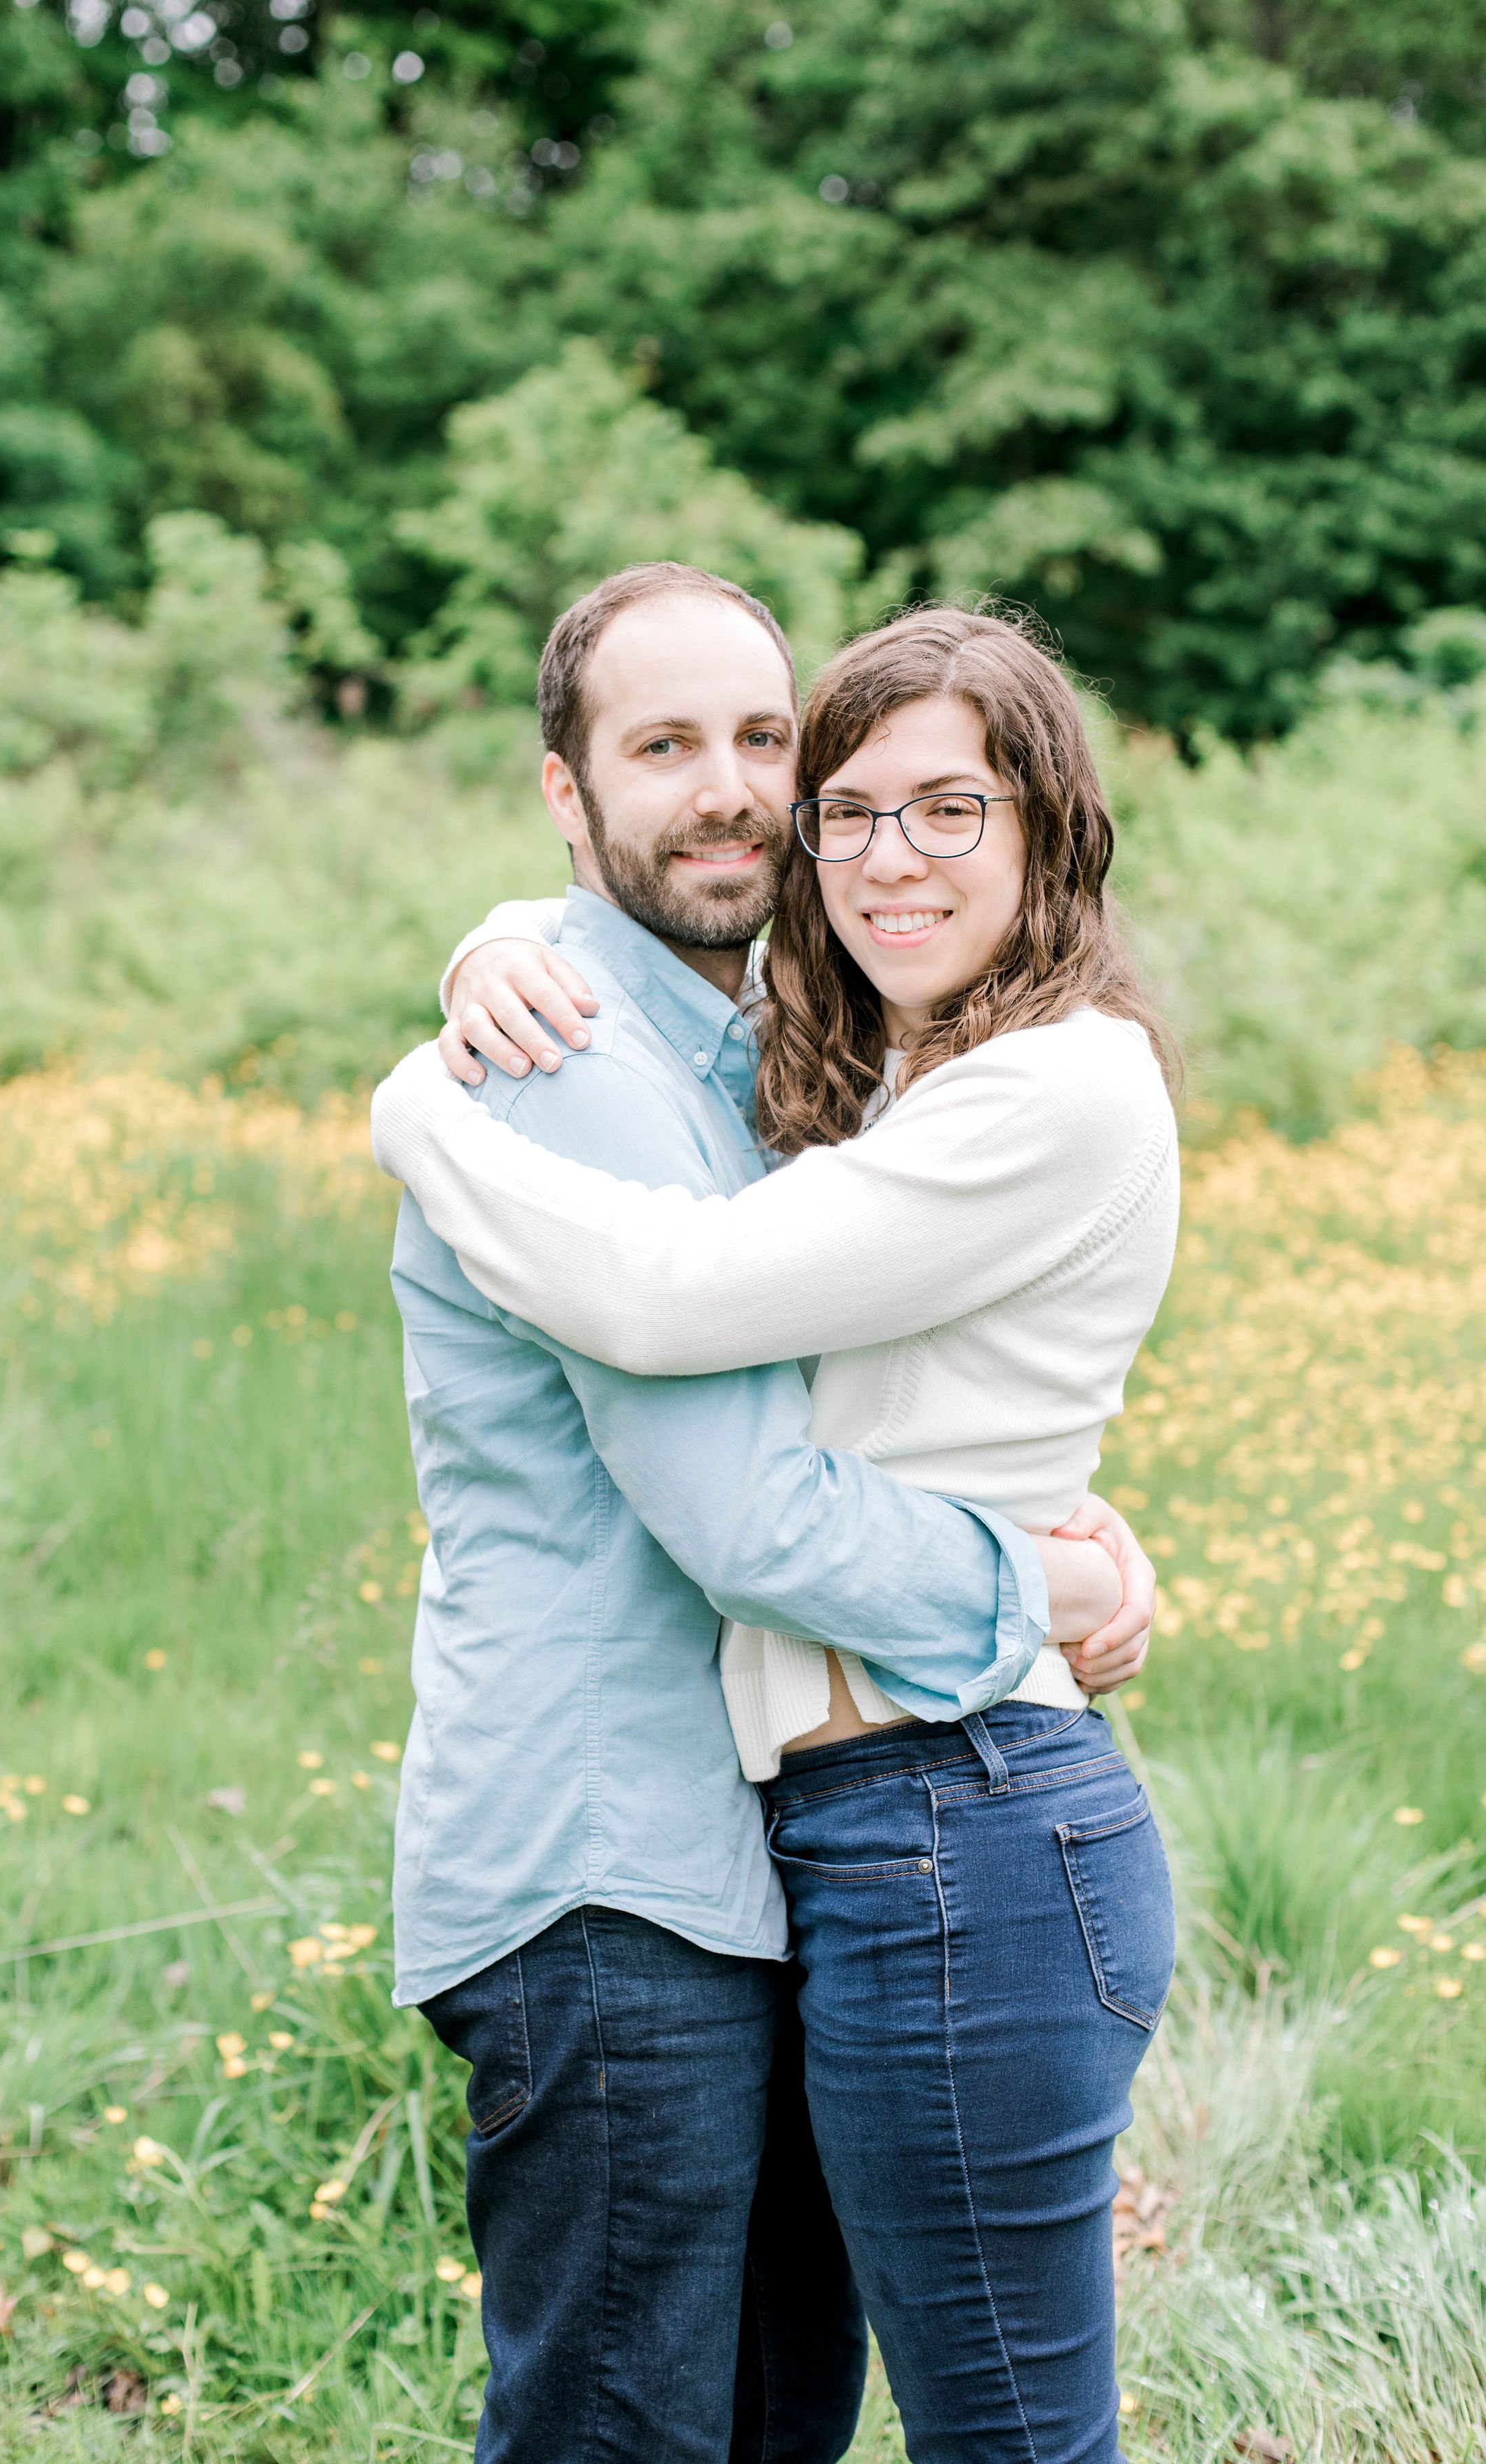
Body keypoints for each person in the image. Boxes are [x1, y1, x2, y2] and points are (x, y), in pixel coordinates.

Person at [374, 602, 1179, 2464]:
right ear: (565, 798)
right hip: (618, 1869)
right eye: (665, 750)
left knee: (766, 2422)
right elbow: (748, 1509)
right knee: (639, 2434)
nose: (735, 795)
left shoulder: (781, 1056)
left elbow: (875, 1380)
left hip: (812, 1853)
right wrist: (1041, 1585)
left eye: (763, 742)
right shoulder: (572, 1050)